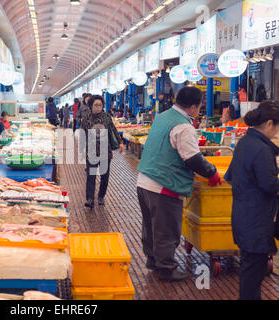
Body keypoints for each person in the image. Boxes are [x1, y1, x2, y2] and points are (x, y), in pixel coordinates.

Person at [137, 86, 222, 282]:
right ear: (193, 107)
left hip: (144, 181)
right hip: (164, 183)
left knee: (150, 227)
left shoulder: (163, 116)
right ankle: (167, 268)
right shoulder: (184, 127)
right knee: (166, 229)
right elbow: (192, 158)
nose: (199, 110)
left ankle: (153, 261)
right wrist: (212, 172)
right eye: (199, 106)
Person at [224, 101, 279, 300]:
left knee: (251, 270)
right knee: (252, 273)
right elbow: (270, 185)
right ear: (269, 123)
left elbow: (229, 177)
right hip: (256, 220)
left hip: (244, 215)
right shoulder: (262, 150)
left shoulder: (245, 143)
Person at [81, 95, 124, 208]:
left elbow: (113, 130)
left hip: (105, 151)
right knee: (91, 176)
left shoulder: (106, 117)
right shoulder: (86, 118)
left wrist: (120, 142)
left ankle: (101, 196)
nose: (98, 107)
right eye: (96, 105)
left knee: (105, 176)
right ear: (91, 106)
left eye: (100, 105)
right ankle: (90, 199)